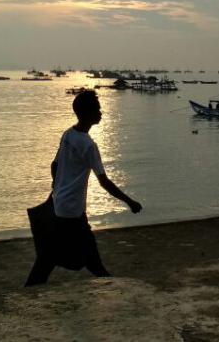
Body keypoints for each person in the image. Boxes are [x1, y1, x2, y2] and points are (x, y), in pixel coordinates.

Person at [25, 91, 142, 286]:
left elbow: (54, 166)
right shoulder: (89, 146)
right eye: (97, 109)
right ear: (87, 113)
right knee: (85, 259)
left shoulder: (68, 135)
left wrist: (58, 186)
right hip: (71, 211)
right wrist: (130, 202)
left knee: (51, 257)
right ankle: (114, 287)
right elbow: (104, 182)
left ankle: (30, 289)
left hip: (60, 205)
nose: (101, 113)